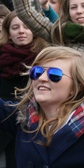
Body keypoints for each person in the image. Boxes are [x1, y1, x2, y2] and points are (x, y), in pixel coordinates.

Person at [0, 11, 48, 168]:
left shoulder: (45, 58)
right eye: (15, 27)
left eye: (27, 27)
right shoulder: (2, 57)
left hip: (33, 130)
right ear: (8, 32)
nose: (21, 31)